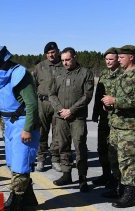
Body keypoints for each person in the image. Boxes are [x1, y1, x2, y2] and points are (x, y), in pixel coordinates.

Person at [0, 45, 40, 211]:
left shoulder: (20, 74)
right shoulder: (2, 75)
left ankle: (16, 202)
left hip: (22, 123)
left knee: (20, 164)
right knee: (13, 162)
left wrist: (27, 129)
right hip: (10, 125)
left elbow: (32, 104)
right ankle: (29, 199)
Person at [101, 45, 135, 208]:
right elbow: (114, 96)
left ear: (131, 57)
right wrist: (108, 104)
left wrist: (115, 101)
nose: (118, 59)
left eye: (121, 57)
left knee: (128, 161)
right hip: (115, 124)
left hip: (130, 127)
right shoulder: (121, 75)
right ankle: (118, 187)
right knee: (113, 158)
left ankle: (129, 194)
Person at [49, 47, 94, 192]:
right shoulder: (58, 72)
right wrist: (60, 110)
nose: (65, 63)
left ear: (75, 57)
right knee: (63, 145)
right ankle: (66, 174)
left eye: (67, 60)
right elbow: (51, 94)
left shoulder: (85, 73)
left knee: (80, 146)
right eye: (62, 60)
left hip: (77, 117)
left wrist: (71, 110)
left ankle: (82, 178)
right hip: (61, 116)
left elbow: (87, 96)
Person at [91, 47, 121, 186]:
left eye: (111, 59)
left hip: (117, 118)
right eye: (106, 59)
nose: (108, 62)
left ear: (117, 59)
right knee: (102, 147)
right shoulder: (103, 74)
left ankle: (116, 178)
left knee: (114, 150)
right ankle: (105, 174)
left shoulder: (123, 74)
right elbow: (98, 95)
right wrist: (95, 113)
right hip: (104, 117)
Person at [32, 41, 63, 172]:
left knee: (57, 133)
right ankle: (40, 159)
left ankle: (55, 159)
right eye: (48, 53)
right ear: (46, 54)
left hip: (58, 104)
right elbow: (33, 86)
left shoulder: (63, 65)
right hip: (43, 103)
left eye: (53, 52)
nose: (51, 54)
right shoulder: (40, 67)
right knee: (41, 132)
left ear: (57, 51)